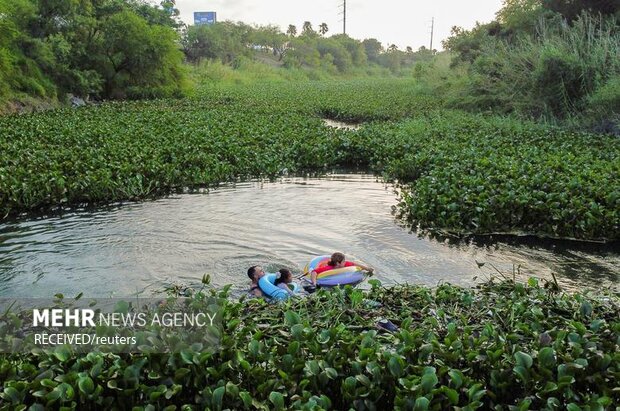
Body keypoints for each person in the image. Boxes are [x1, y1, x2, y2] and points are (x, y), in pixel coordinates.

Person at [309, 252, 374, 286]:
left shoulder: (346, 264)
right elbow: (314, 272)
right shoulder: (328, 268)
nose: (345, 262)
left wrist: (367, 269)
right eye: (343, 261)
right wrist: (314, 283)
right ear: (338, 263)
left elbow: (355, 265)